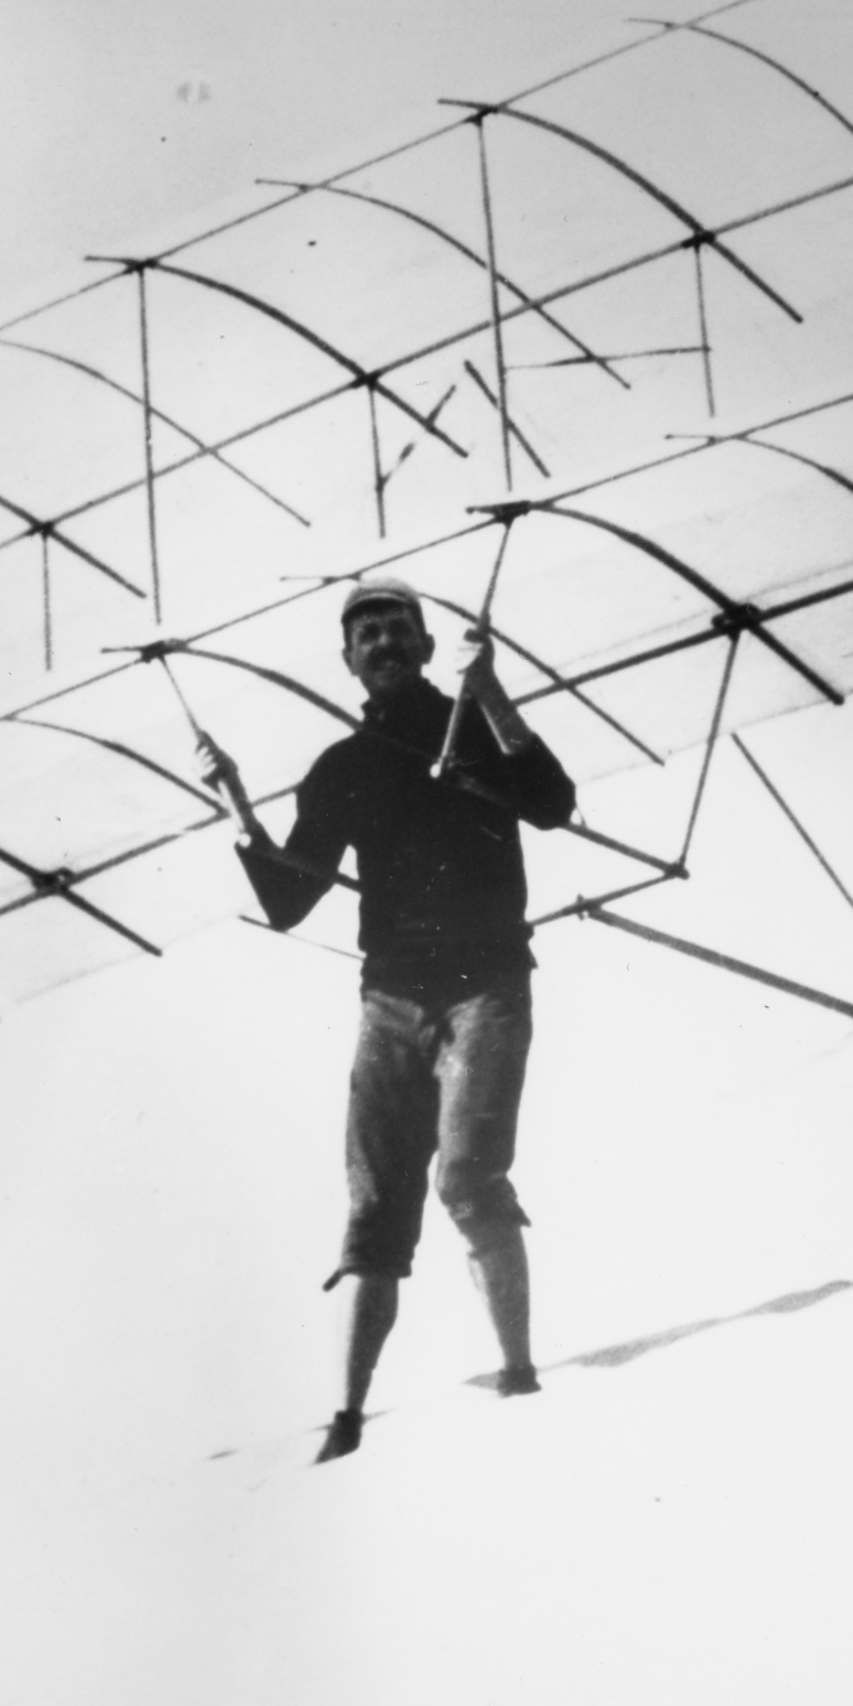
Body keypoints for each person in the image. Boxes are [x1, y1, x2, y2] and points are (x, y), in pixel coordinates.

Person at [195, 577, 577, 1460]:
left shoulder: (470, 724)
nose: (383, 643)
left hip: (485, 985)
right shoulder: (342, 767)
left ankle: (518, 1375)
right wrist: (237, 800)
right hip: (391, 1000)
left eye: (397, 628)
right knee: (373, 1209)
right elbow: (291, 898)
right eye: (366, 633)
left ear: (424, 641)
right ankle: (346, 1420)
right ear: (348, 659)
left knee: (470, 1177)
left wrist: (489, 691)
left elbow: (552, 804)